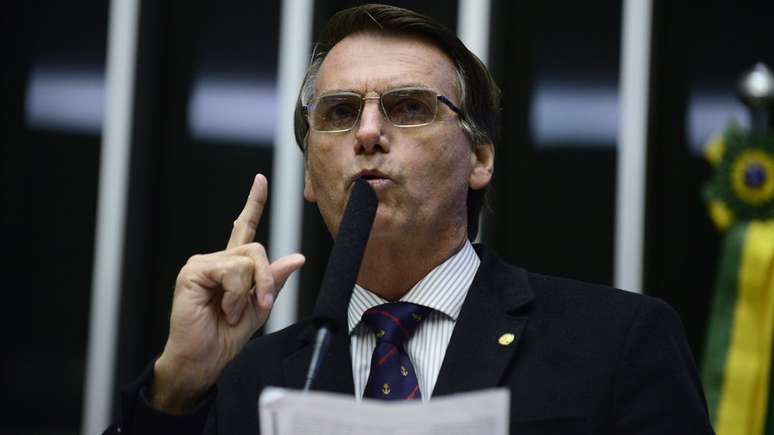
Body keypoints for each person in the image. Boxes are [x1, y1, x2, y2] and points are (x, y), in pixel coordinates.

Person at [105, 4, 714, 434]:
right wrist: (180, 383)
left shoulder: (615, 342)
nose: (369, 132)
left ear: (479, 157)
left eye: (409, 107)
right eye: (341, 113)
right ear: (311, 178)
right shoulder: (252, 379)